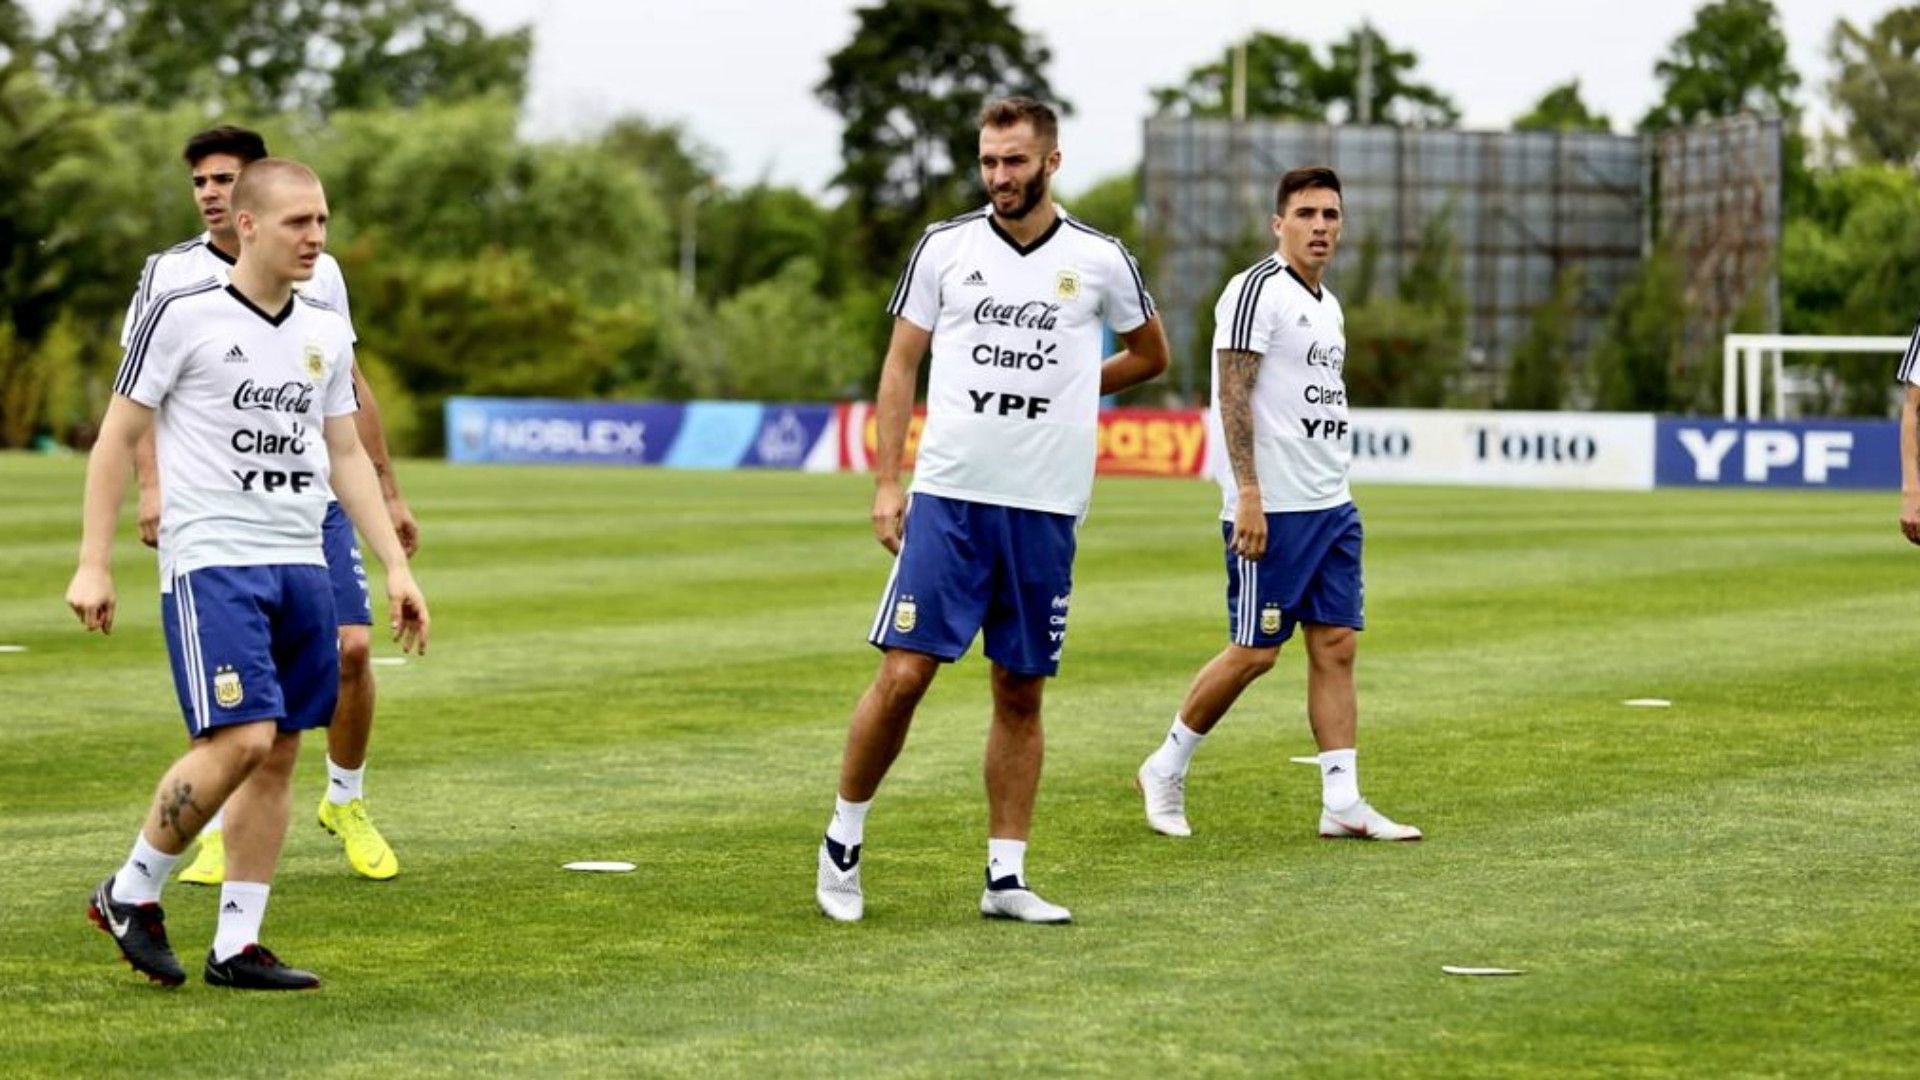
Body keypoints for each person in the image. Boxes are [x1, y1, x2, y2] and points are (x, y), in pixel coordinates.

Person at [70, 159, 429, 989]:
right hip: (212, 560)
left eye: (324, 222)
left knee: (280, 751)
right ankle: (131, 890)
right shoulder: (179, 315)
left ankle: (238, 945)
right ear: (249, 225)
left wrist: (396, 566)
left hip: (300, 557)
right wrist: (94, 563)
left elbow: (344, 454)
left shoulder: (324, 331)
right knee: (241, 737)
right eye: (299, 221)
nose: (316, 238)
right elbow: (114, 440)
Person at [815, 97, 1170, 924]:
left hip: (1046, 508)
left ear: (1051, 161)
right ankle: (843, 839)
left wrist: (1077, 385)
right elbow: (901, 366)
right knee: (905, 675)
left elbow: (1152, 355)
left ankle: (1005, 877)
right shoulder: (946, 248)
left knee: (1021, 690)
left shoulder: (1101, 258)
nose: (999, 177)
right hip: (950, 499)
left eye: (1014, 161)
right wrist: (885, 481)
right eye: (988, 162)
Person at [123, 126, 418, 883]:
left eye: (226, 178)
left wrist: (387, 493)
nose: (212, 192)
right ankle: (218, 831)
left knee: (353, 651)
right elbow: (143, 398)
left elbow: (345, 393)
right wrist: (151, 487)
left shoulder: (319, 274)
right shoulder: (170, 279)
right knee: (243, 704)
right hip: (221, 508)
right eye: (201, 182)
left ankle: (345, 800)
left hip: (311, 496)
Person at [1133, 166, 1421, 843]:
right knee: (1256, 651)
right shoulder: (1254, 290)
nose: (1321, 226)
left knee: (1337, 645)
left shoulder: (1329, 304)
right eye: (1307, 214)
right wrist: (1249, 494)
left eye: (1331, 215)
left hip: (1330, 501)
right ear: (1279, 222)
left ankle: (1342, 801)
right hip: (1274, 503)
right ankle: (1165, 764)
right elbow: (1233, 393)